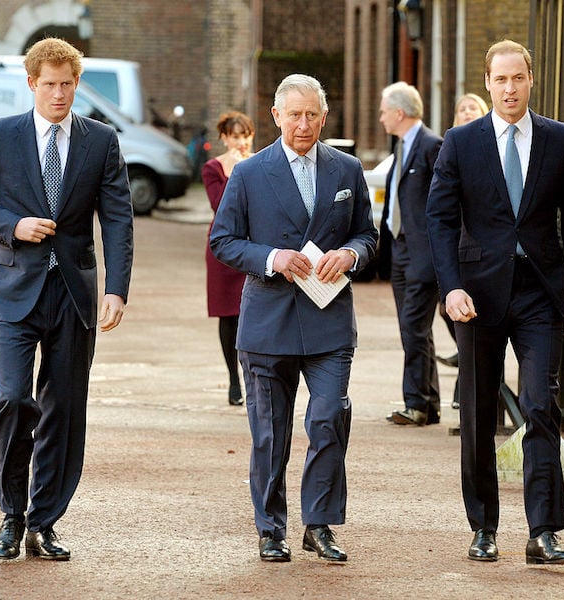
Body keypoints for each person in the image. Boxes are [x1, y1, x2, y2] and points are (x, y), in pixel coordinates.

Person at [0, 37, 134, 561]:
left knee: (65, 410)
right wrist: (12, 225)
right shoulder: (0, 135)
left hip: (74, 293)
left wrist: (117, 288)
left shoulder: (101, 140)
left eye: (67, 84)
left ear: (78, 84)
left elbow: (118, 218)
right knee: (15, 399)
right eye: (49, 84)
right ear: (31, 83)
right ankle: (11, 514)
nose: (59, 93)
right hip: (13, 292)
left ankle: (44, 521)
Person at [426, 40, 564, 565]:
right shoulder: (460, 141)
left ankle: (543, 531)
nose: (509, 89)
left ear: (530, 79)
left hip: (541, 295)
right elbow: (439, 219)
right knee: (478, 412)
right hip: (476, 295)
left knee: (540, 406)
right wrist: (450, 286)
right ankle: (484, 528)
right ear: (488, 82)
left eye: (517, 78)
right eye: (499, 80)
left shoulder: (560, 139)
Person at [210, 74, 378, 563]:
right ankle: (270, 528)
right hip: (268, 321)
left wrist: (350, 253)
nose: (303, 124)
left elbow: (368, 235)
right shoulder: (248, 173)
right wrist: (271, 258)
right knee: (270, 432)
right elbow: (223, 240)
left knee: (329, 418)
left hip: (329, 320)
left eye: (313, 115)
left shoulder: (347, 170)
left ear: (324, 118)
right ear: (276, 116)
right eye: (295, 114)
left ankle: (320, 525)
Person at [378, 82, 443, 427]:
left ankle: (416, 403)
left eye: (384, 111)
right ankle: (427, 404)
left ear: (400, 113)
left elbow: (446, 205)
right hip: (400, 250)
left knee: (414, 327)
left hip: (422, 254)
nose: (381, 117)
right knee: (413, 329)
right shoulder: (403, 147)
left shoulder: (433, 146)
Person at [435, 93, 490, 393]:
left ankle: (465, 387)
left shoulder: (492, 144)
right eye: (462, 108)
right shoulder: (452, 146)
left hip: (486, 251)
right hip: (456, 246)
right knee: (451, 311)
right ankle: (464, 382)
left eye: (473, 107)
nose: (467, 111)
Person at [202, 111, 255, 406]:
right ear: (224, 138)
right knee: (228, 316)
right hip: (223, 250)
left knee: (253, 313)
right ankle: (233, 380)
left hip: (254, 246)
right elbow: (219, 204)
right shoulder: (213, 167)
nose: (241, 141)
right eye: (235, 136)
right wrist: (234, 170)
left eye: (245, 135)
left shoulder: (261, 163)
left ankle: (252, 377)